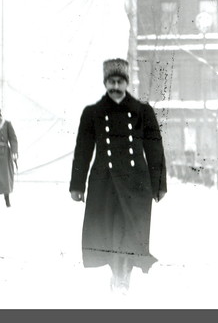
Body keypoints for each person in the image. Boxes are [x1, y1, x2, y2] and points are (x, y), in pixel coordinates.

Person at [70, 58, 167, 294]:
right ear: (105, 83)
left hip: (136, 182)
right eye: (111, 82)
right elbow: (83, 150)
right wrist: (77, 185)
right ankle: (117, 273)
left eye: (119, 82)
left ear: (126, 83)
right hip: (105, 182)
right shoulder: (93, 113)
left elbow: (154, 148)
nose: (115, 86)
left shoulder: (143, 111)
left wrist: (159, 184)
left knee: (131, 232)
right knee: (110, 232)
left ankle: (124, 275)